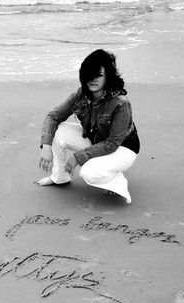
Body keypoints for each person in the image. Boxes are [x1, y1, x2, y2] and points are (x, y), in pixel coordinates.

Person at [37, 49, 140, 203]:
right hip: (96, 140)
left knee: (88, 172)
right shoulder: (81, 95)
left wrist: (77, 157)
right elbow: (53, 117)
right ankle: (59, 177)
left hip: (123, 148)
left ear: (108, 76)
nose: (93, 79)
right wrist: (46, 146)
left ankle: (116, 182)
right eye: (89, 74)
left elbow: (112, 144)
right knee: (58, 131)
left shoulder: (120, 103)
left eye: (98, 75)